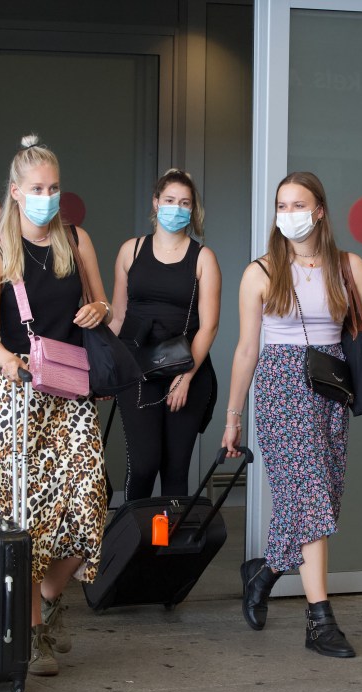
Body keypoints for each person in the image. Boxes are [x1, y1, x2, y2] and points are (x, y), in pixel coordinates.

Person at [222, 171, 362, 657]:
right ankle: (319, 620)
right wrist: (233, 416)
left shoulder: (348, 267)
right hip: (281, 387)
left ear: (320, 210)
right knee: (312, 496)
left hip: (330, 386)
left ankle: (263, 573)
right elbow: (246, 350)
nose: (289, 214)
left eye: (298, 204)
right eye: (281, 205)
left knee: (321, 495)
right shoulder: (259, 273)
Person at [0, 133, 110, 677]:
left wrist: (98, 311)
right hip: (17, 395)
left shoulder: (76, 240)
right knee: (26, 517)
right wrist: (9, 361)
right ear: (15, 192)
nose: (47, 197)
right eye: (37, 188)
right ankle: (31, 634)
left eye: (53, 187)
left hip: (70, 391)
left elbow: (102, 302)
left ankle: (51, 601)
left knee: (90, 501)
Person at [109, 168, 220, 501]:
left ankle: (169, 551)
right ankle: (135, 552)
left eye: (184, 203)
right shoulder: (131, 250)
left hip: (186, 369)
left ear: (193, 209)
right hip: (135, 368)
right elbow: (117, 315)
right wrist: (103, 368)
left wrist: (185, 377)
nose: (177, 208)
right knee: (143, 466)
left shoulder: (203, 258)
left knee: (175, 470)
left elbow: (210, 324)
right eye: (170, 200)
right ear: (156, 202)